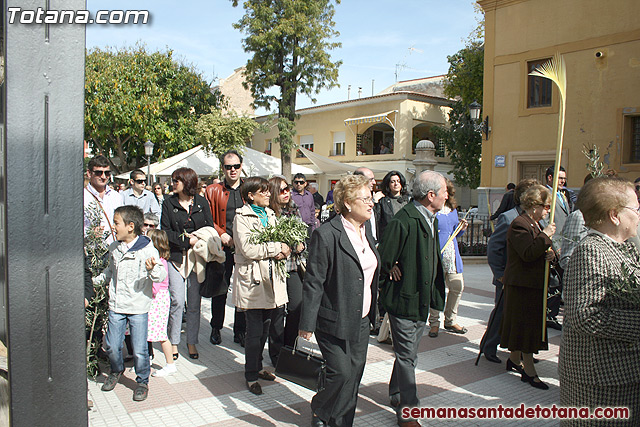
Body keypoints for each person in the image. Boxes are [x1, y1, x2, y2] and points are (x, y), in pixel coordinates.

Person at [299, 174, 379, 427]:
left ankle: (342, 421)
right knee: (341, 373)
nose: (371, 203)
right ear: (346, 202)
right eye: (365, 198)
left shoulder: (367, 233)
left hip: (362, 319)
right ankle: (321, 408)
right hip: (333, 318)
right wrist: (307, 324)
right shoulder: (327, 234)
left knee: (354, 376)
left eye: (371, 198)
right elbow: (314, 281)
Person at [560, 177, 640, 425]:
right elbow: (585, 315)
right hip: (600, 381)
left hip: (623, 373)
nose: (639, 214)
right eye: (636, 208)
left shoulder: (625, 246)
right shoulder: (591, 250)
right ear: (614, 215)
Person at [377, 170, 447, 427]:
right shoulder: (403, 220)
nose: (447, 195)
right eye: (444, 192)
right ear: (431, 196)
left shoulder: (432, 218)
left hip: (420, 299)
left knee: (408, 355)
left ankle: (395, 392)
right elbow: (382, 256)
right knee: (407, 356)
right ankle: (408, 411)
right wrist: (389, 267)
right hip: (403, 300)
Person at [97, 205, 167, 402]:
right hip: (117, 305)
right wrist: (94, 283)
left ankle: (142, 381)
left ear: (130, 226)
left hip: (138, 307)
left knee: (139, 349)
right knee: (111, 345)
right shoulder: (114, 248)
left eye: (116, 223)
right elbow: (109, 272)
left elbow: (160, 275)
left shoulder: (147, 249)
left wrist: (152, 268)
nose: (113, 226)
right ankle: (116, 370)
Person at [232, 177, 290, 395]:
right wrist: (276, 247)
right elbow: (247, 249)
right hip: (253, 280)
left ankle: (257, 367)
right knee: (254, 330)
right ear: (250, 196)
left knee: (266, 327)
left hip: (273, 278)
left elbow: (282, 242)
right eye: (263, 191)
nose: (268, 194)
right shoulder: (242, 217)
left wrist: (287, 249)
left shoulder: (272, 215)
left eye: (267, 191)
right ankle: (250, 375)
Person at [499, 185, 556, 390]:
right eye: (546, 206)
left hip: (532, 284)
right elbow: (528, 253)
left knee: (524, 325)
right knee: (526, 327)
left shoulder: (535, 224)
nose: (548, 210)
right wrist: (546, 235)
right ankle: (529, 370)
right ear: (534, 206)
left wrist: (551, 254)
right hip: (522, 285)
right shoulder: (519, 224)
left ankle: (514, 360)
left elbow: (540, 250)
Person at [480, 178, 538, 364]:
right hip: (507, 276)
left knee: (521, 316)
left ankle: (520, 351)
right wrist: (500, 274)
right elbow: (494, 248)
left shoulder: (535, 220)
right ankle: (489, 346)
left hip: (525, 278)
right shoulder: (509, 217)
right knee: (502, 313)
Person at [161, 167, 214, 360]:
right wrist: (186, 241)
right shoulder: (168, 203)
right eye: (173, 180)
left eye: (177, 180)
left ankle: (191, 342)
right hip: (175, 257)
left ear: (188, 182)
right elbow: (165, 231)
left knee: (194, 303)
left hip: (197, 259)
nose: (173, 183)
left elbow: (209, 226)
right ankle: (173, 343)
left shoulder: (201, 202)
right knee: (176, 301)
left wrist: (198, 240)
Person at [204, 150, 247, 347]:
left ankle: (240, 331)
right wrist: (221, 233)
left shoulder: (249, 189)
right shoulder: (213, 190)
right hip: (222, 247)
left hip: (244, 249)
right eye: (228, 167)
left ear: (241, 167)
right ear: (223, 168)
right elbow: (207, 218)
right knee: (220, 288)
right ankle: (216, 327)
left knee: (243, 290)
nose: (232, 170)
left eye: (236, 166)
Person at [268, 177, 306, 352]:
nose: (286, 193)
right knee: (277, 312)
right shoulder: (267, 212)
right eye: (282, 190)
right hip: (275, 267)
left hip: (294, 266)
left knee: (296, 308)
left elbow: (302, 233)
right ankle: (276, 351)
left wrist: (302, 245)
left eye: (287, 189)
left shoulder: (292, 208)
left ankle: (289, 346)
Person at [428, 179, 468, 337]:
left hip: (452, 254)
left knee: (457, 286)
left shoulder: (452, 209)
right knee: (436, 289)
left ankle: (450, 319)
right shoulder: (432, 209)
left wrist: (462, 228)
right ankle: (434, 322)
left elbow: (454, 232)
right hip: (437, 253)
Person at [145, 229, 176, 377]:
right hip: (160, 299)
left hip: (157, 300)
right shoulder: (163, 261)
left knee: (161, 334)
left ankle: (170, 364)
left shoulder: (159, 263)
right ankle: (147, 361)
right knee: (150, 333)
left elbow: (155, 287)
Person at [84, 155, 123, 245]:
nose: (103, 176)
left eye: (107, 173)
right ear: (89, 173)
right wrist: (90, 234)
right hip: (90, 250)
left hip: (114, 248)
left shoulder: (116, 196)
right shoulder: (82, 197)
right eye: (98, 173)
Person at [376, 170, 410, 237]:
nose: (396, 184)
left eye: (398, 181)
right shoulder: (383, 202)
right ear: (388, 184)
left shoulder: (408, 200)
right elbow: (378, 223)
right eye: (392, 182)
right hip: (390, 237)